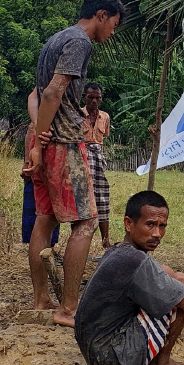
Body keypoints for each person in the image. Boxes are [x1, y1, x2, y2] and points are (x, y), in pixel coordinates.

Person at [22, 0, 124, 327]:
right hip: (64, 144)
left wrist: (36, 139)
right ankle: (68, 309)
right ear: (101, 15)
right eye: (113, 25)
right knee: (86, 223)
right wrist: (41, 142)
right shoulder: (80, 42)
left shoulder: (56, 39)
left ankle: (40, 299)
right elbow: (52, 92)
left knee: (45, 220)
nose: (112, 33)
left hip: (46, 142)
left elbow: (36, 95)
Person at [74, 190, 184, 365]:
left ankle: (156, 361)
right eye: (150, 225)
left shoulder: (119, 251)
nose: (157, 234)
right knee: (182, 295)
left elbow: (168, 273)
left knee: (181, 283)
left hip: (97, 353)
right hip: (113, 361)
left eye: (162, 226)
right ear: (129, 224)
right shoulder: (134, 259)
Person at [81, 82, 113, 250]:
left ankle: (105, 239)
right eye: (90, 97)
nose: (94, 101)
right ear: (84, 97)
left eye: (97, 98)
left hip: (98, 157)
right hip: (82, 157)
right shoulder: (78, 115)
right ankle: (80, 238)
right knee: (83, 197)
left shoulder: (105, 117)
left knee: (102, 196)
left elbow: (103, 139)